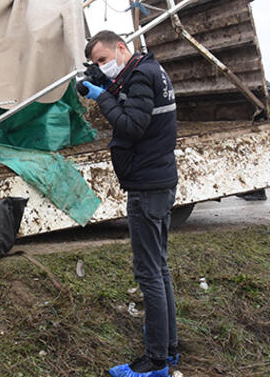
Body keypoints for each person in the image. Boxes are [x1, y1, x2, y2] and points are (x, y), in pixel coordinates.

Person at [81, 30, 178, 377]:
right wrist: (108, 89)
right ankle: (167, 346)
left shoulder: (139, 76)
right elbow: (140, 113)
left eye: (103, 60)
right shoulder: (150, 71)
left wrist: (102, 97)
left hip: (148, 185)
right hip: (159, 178)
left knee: (149, 272)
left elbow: (131, 125)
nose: (101, 67)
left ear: (121, 48)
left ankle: (155, 363)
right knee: (160, 268)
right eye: (96, 64)